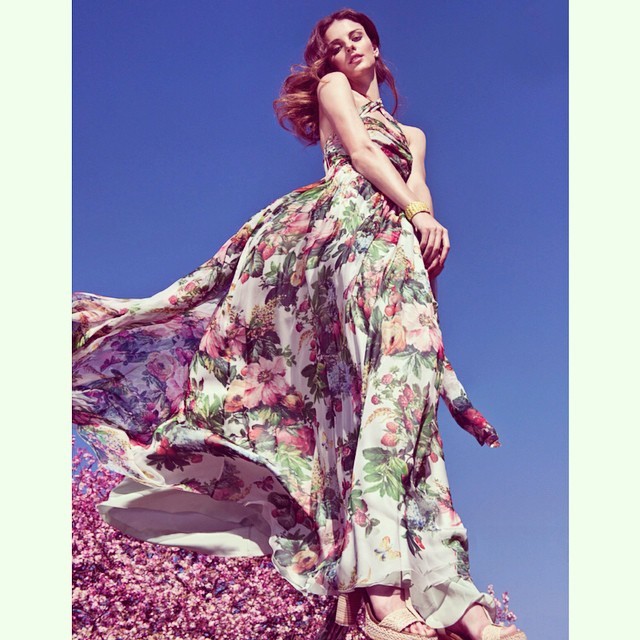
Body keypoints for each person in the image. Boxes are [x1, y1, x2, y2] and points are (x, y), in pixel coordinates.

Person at [72, 8, 526, 640]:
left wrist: (423, 237)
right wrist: (419, 213)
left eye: (357, 38)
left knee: (411, 412)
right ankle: (380, 589)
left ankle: (453, 598)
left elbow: (417, 189)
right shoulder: (336, 90)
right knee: (387, 404)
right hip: (351, 237)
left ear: (376, 46)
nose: (348, 49)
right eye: (335, 46)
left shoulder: (414, 134)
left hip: (399, 253)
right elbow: (362, 155)